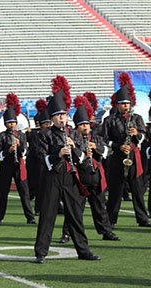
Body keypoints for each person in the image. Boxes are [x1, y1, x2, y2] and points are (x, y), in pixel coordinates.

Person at [34, 76, 100, 264]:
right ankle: (41, 252)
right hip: (52, 178)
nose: (61, 118)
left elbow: (83, 161)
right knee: (47, 216)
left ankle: (83, 250)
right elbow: (42, 159)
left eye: (63, 115)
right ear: (52, 117)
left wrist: (74, 148)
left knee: (76, 216)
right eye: (57, 115)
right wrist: (59, 154)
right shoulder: (44, 135)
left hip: (71, 178)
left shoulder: (74, 135)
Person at [58, 96, 119, 243]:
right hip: (80, 179)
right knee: (74, 209)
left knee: (100, 207)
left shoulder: (96, 138)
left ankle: (106, 231)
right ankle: (67, 233)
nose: (85, 127)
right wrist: (83, 150)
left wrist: (96, 148)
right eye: (82, 125)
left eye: (87, 124)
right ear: (77, 127)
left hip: (96, 177)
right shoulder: (73, 138)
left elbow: (108, 150)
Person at [102, 72, 150, 227]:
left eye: (128, 103)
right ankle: (111, 219)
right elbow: (105, 139)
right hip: (117, 158)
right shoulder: (110, 120)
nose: (126, 106)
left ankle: (142, 219)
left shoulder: (137, 119)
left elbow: (144, 136)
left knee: (138, 191)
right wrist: (118, 146)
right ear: (117, 105)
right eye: (123, 103)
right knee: (115, 191)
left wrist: (137, 134)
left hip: (134, 157)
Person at [0, 93, 35, 225]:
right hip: (6, 166)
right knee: (3, 193)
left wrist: (20, 148)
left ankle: (30, 217)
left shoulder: (21, 135)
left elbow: (26, 150)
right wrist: (8, 151)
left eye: (13, 122)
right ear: (6, 124)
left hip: (19, 166)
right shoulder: (1, 136)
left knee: (24, 193)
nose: (12, 125)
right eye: (9, 123)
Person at [27, 98, 51, 215]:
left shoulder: (51, 133)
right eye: (45, 124)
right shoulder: (36, 135)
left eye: (49, 123)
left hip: (50, 162)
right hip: (40, 163)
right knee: (41, 186)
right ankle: (39, 208)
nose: (48, 125)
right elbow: (37, 150)